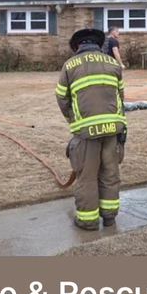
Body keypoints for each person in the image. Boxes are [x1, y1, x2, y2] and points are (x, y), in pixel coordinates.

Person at [55, 28, 127, 231]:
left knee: (87, 177)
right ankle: (109, 217)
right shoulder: (112, 63)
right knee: (110, 174)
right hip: (113, 129)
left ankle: (88, 221)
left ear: (77, 46)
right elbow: (120, 96)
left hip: (86, 132)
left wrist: (73, 119)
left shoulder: (70, 65)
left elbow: (61, 97)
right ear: (98, 44)